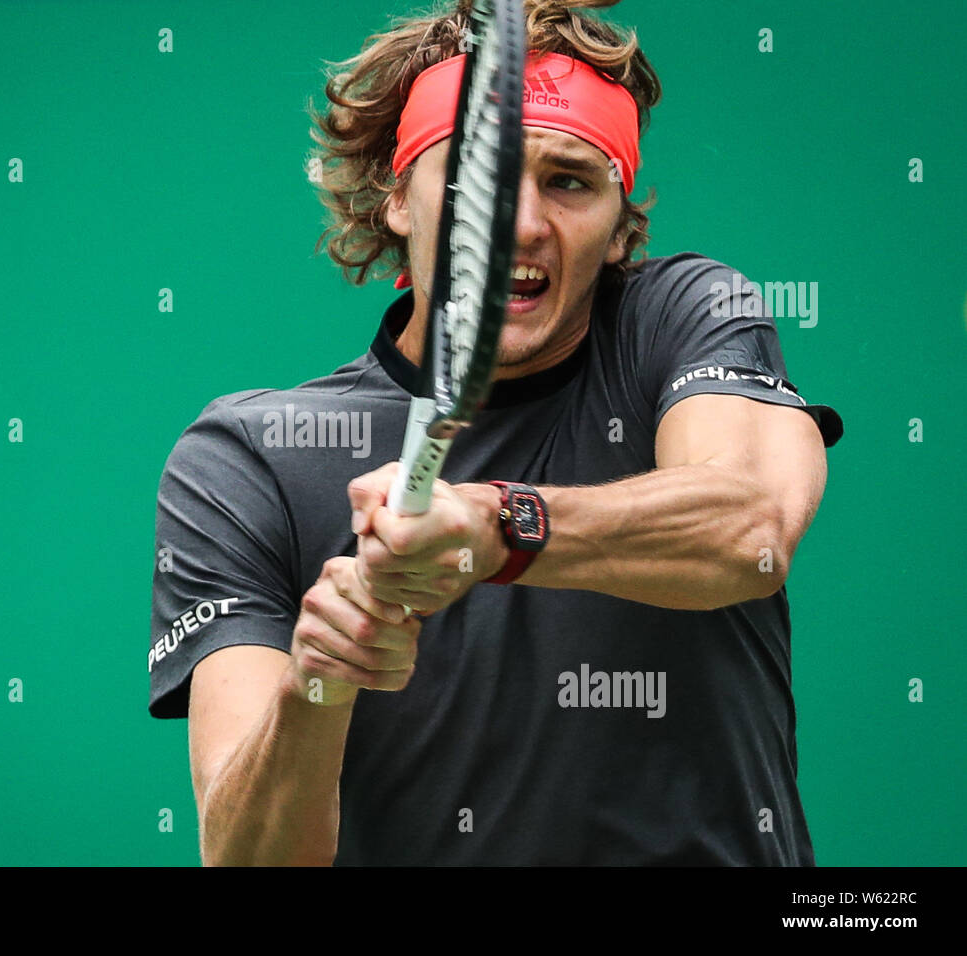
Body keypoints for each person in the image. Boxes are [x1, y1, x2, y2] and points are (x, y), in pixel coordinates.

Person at [147, 0, 843, 866]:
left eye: (570, 181)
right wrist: (320, 680)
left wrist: (494, 529)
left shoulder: (687, 317)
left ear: (619, 222)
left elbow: (752, 527)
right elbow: (246, 859)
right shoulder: (248, 459)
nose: (520, 223)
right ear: (398, 195)